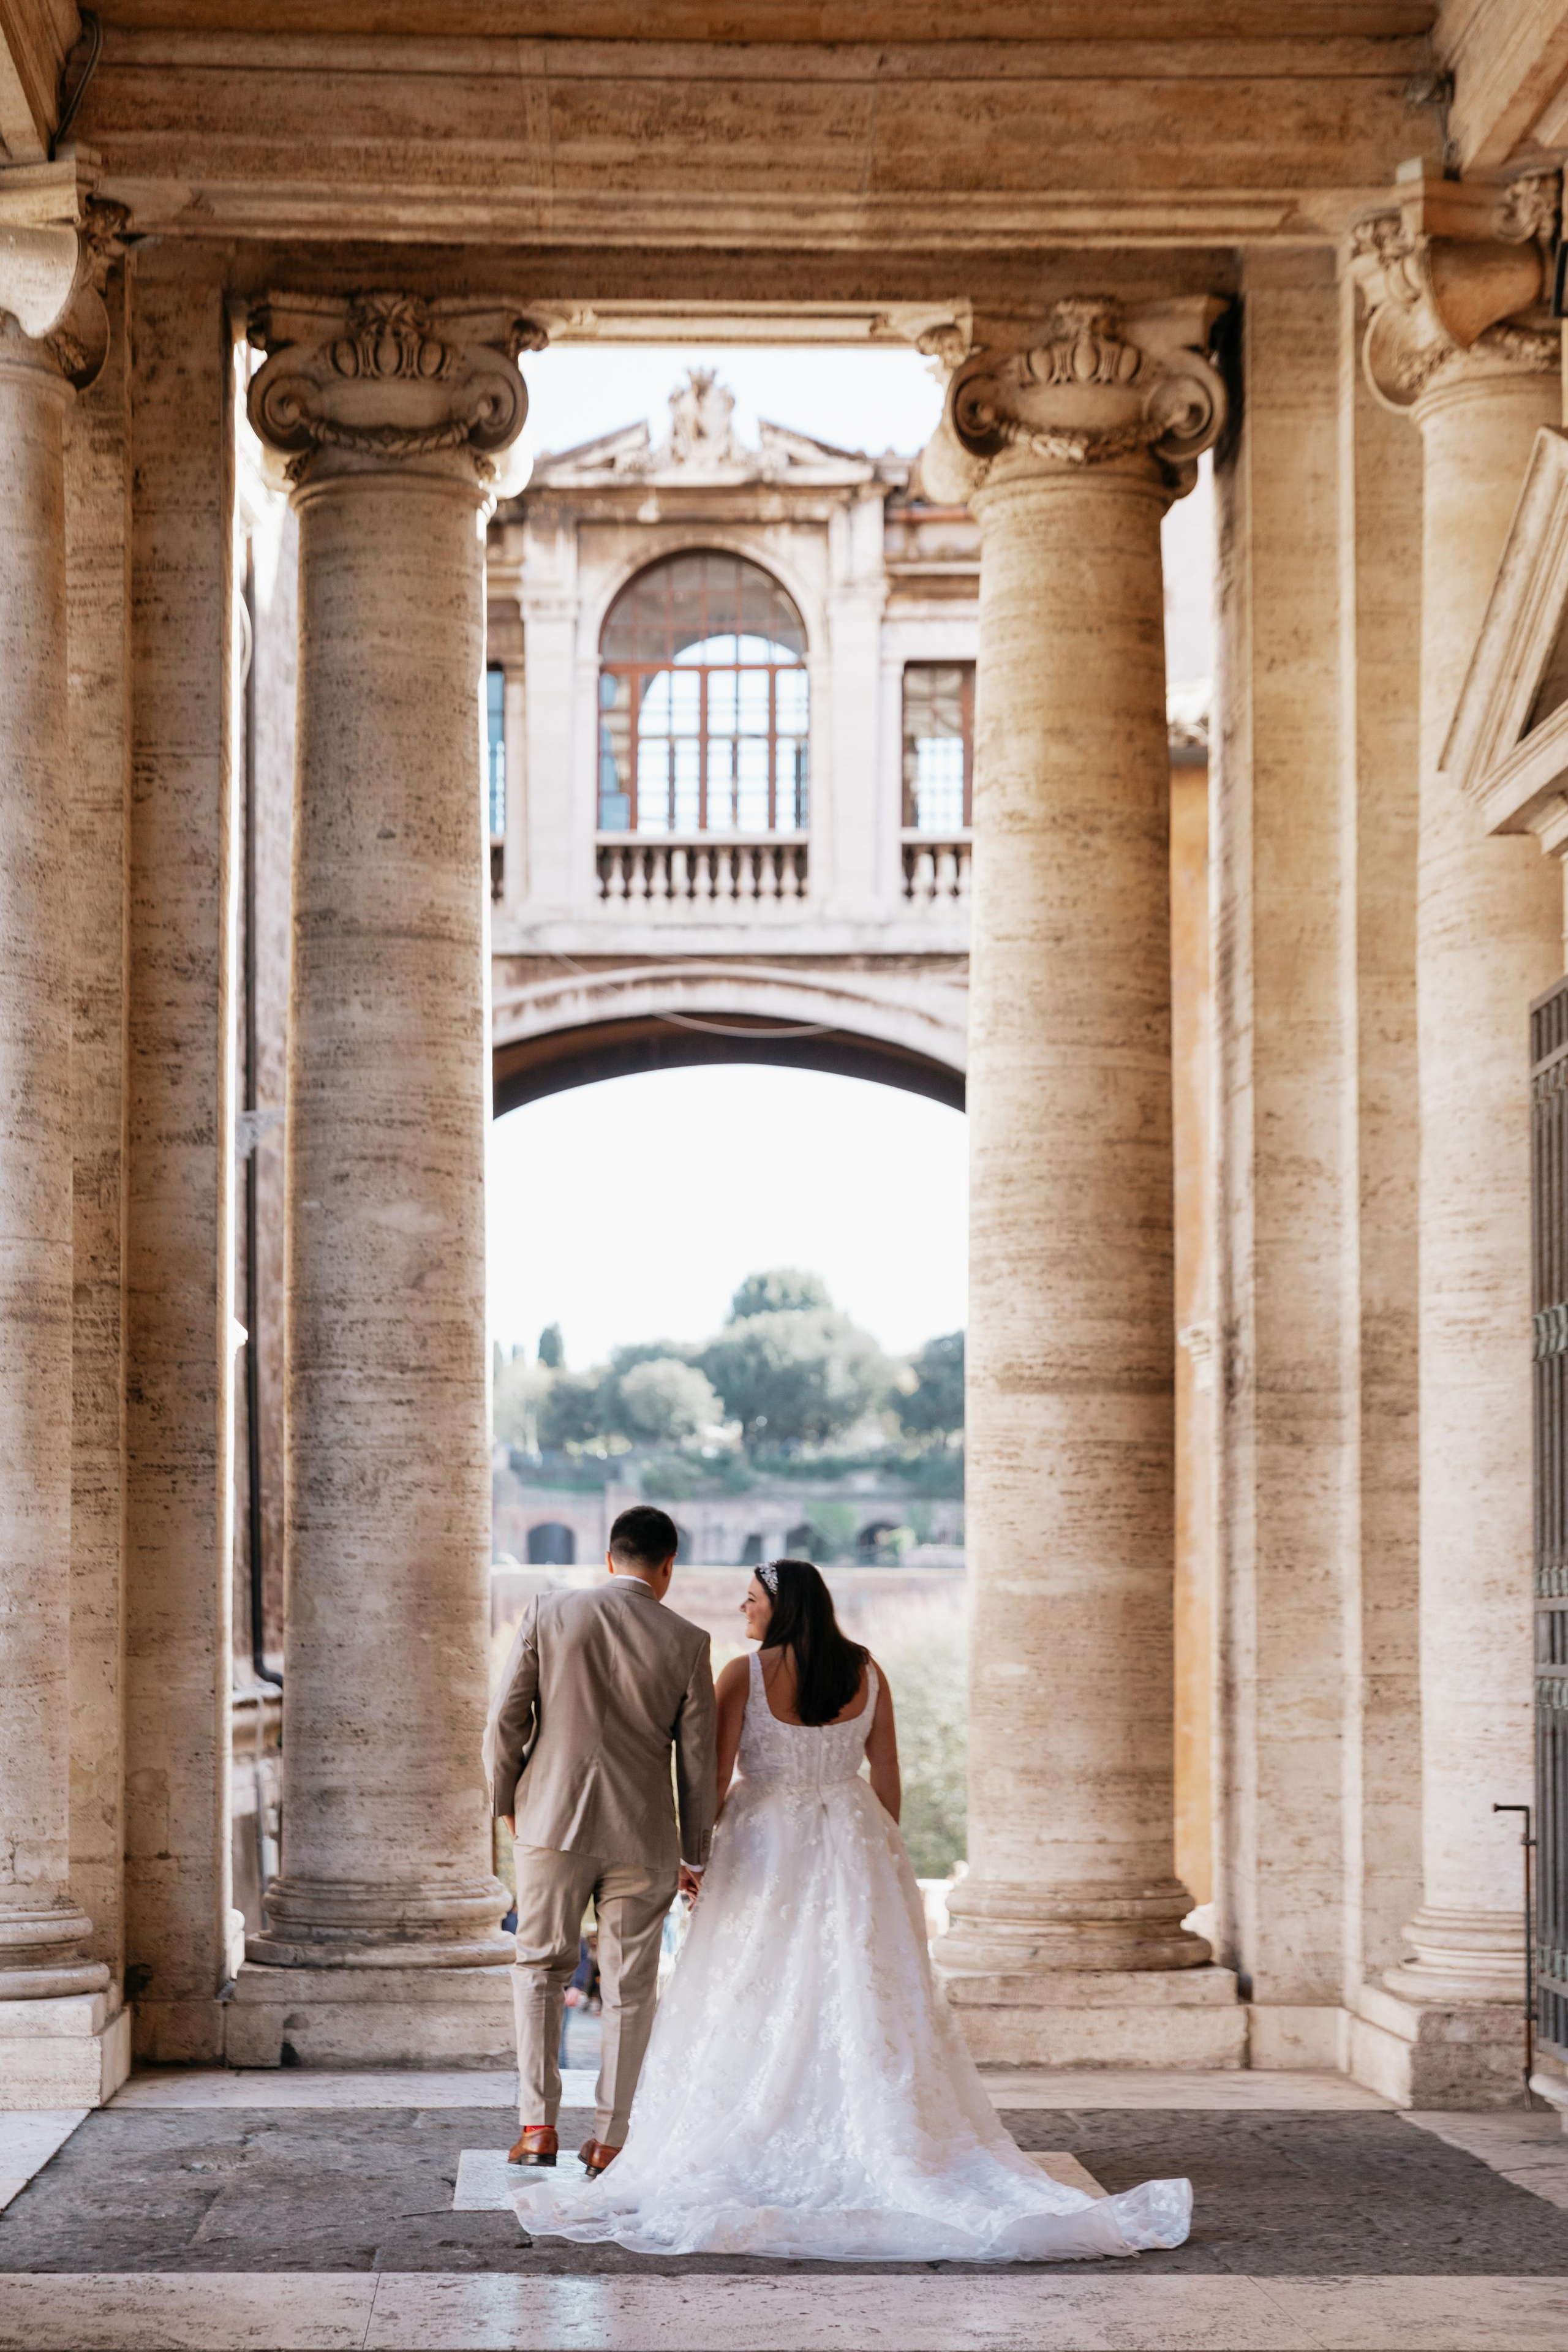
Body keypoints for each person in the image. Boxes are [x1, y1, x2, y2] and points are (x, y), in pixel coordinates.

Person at [508, 1557, 1191, 2263]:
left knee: (753, 1982)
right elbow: (886, 1771)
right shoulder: (868, 1670)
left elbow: (711, 1773)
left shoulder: (744, 1673)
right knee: (854, 1987)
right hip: (851, 1836)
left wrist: (696, 1856)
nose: (743, 1612)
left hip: (766, 1840)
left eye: (750, 1602)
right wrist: (880, 1849)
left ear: (781, 1608)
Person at [483, 1502, 715, 2177]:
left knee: (539, 1969)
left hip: (550, 1823)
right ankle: (611, 2141)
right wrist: (692, 1853)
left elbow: (506, 1720)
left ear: (609, 1559)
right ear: (668, 1567)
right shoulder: (689, 1641)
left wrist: (506, 1801)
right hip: (644, 1836)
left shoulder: (547, 1613)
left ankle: (537, 2130)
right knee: (631, 1988)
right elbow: (696, 1764)